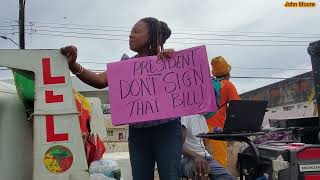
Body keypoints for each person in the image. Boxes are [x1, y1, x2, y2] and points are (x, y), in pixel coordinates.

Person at [60, 17, 182, 180]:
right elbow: (99, 81)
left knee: (171, 175)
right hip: (138, 133)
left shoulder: (168, 60)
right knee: (141, 176)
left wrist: (170, 58)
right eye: (130, 32)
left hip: (167, 130)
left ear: (154, 36)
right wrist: (73, 65)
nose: (130, 36)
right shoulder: (125, 65)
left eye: (136, 32)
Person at [203, 56, 240, 167]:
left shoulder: (206, 83)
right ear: (227, 73)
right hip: (216, 129)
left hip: (199, 127)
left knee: (201, 163)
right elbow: (238, 107)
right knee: (219, 162)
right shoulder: (227, 84)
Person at [181, 114, 235, 180]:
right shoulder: (185, 117)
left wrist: (215, 132)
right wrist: (196, 156)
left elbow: (203, 141)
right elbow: (178, 145)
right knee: (201, 172)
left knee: (227, 177)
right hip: (188, 158)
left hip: (205, 157)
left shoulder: (201, 117)